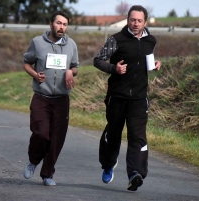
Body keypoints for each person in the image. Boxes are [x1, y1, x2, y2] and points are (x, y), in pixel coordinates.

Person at [93, 5, 161, 191]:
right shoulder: (116, 39)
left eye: (139, 20)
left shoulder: (150, 41)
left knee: (137, 137)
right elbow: (98, 60)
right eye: (133, 20)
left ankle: (135, 173)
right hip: (117, 97)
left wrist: (154, 65)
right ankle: (108, 164)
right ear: (128, 20)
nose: (136, 23)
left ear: (145, 22)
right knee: (113, 134)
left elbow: (144, 62)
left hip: (139, 99)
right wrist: (114, 68)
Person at [22, 10, 79, 186]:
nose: (62, 27)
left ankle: (47, 175)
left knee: (56, 139)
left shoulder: (71, 45)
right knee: (41, 133)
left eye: (65, 24)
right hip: (42, 96)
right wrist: (34, 74)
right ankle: (33, 161)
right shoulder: (38, 43)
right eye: (58, 23)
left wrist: (70, 71)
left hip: (62, 99)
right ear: (51, 24)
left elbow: (75, 67)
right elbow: (26, 62)